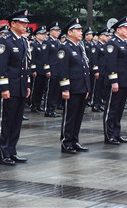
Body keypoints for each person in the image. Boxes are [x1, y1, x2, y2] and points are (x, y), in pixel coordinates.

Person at [0, 9, 31, 166]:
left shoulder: (22, 41)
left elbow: (25, 66)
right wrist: (4, 88)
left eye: (26, 23)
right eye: (22, 22)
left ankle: (12, 150)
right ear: (13, 23)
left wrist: (27, 85)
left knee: (16, 121)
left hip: (20, 87)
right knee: (6, 121)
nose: (25, 25)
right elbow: (0, 67)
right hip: (9, 87)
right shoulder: (4, 41)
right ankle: (3, 153)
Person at [57, 18, 90, 154]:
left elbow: (84, 68)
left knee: (78, 116)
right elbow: (62, 70)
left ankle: (75, 140)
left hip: (81, 87)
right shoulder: (64, 48)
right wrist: (65, 88)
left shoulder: (79, 47)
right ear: (69, 32)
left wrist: (87, 87)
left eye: (81, 30)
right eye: (78, 30)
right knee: (69, 117)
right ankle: (66, 142)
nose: (81, 32)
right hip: (72, 88)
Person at [104, 17, 127, 145]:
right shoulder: (112, 43)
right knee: (112, 108)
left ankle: (117, 133)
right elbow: (111, 64)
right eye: (125, 28)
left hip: (124, 80)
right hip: (115, 81)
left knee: (120, 108)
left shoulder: (124, 43)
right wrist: (113, 81)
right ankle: (109, 134)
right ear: (118, 29)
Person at [43, 22, 62, 117]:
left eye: (59, 31)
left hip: (58, 69)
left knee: (56, 90)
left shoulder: (58, 42)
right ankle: (47, 109)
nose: (58, 32)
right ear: (51, 32)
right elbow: (45, 57)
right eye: (56, 30)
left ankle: (53, 108)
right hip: (51, 69)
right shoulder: (47, 42)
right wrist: (47, 69)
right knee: (50, 90)